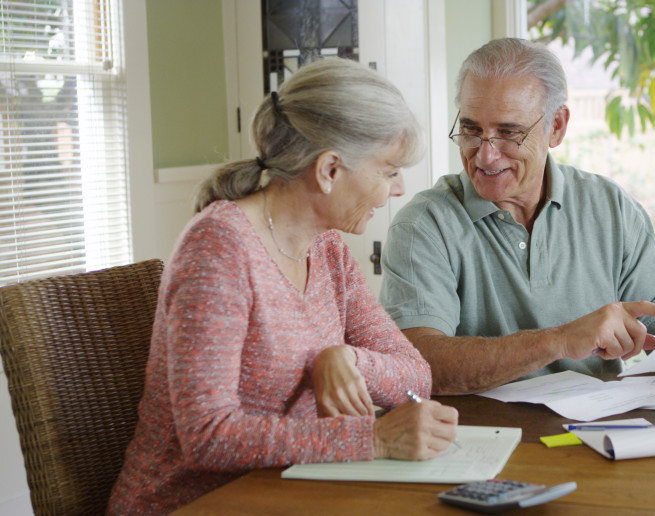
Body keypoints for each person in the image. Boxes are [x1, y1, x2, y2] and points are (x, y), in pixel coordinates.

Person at [108, 58, 458, 514]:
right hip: (192, 503)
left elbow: (416, 374)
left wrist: (347, 358)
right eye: (389, 171)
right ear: (330, 169)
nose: (397, 189)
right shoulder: (217, 248)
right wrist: (373, 438)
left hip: (291, 492)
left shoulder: (327, 248)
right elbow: (208, 436)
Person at [379, 38, 655, 395]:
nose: (485, 155)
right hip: (483, 443)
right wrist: (560, 340)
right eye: (471, 131)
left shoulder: (610, 208)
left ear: (556, 126)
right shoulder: (423, 225)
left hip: (600, 437)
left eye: (509, 133)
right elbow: (418, 365)